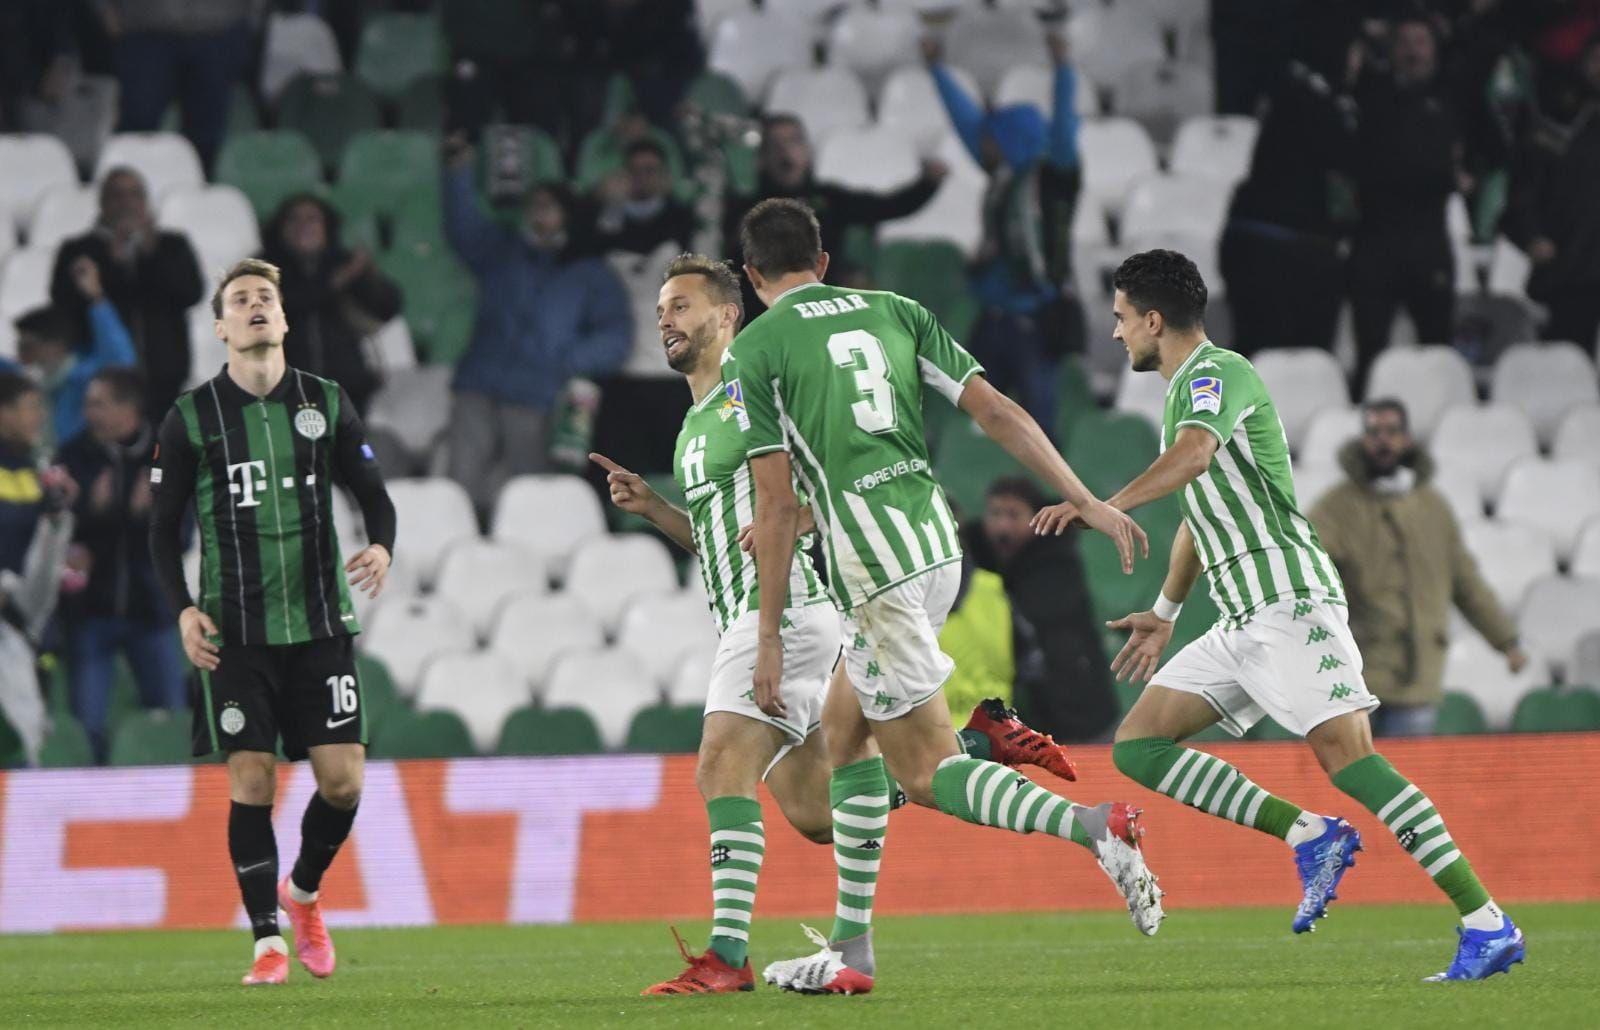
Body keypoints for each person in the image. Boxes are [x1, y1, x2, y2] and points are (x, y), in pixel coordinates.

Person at [591, 253, 1076, 994]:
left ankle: (727, 957)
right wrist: (656, 512)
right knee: (817, 813)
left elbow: (823, 479)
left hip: (786, 611)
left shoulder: (758, 390)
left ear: (729, 315)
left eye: (682, 306)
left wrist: (777, 610)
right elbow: (726, 537)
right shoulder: (696, 424)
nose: (666, 319)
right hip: (762, 611)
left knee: (721, 762)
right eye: (661, 309)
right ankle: (980, 742)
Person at [1033, 249, 1523, 981]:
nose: (1114, 335)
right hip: (1238, 617)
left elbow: (1196, 460)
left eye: (1120, 318)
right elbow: (1200, 513)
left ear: (1153, 320)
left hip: (1290, 600)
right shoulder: (1181, 400)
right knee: (1139, 745)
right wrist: (1167, 612)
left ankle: (1487, 923)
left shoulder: (1216, 373)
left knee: (1350, 758)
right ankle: (1309, 833)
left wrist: (1101, 505)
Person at [726, 199, 1159, 995]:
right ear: (822, 262)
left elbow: (777, 504)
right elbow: (996, 411)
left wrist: (767, 639)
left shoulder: (752, 351)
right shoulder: (897, 310)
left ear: (752, 279)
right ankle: (853, 956)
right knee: (844, 730)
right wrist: (1084, 496)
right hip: (936, 543)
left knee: (925, 771)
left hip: (877, 571)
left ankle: (1097, 827)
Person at [148, 258, 398, 986]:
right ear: (221, 326)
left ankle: (304, 893)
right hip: (236, 631)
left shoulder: (324, 399)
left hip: (320, 622)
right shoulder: (191, 415)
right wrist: (184, 610)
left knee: (344, 781)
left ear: (284, 320)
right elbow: (162, 532)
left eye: (267, 298)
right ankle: (266, 940)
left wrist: (382, 544)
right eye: (241, 300)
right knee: (251, 780)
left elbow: (372, 493)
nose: (256, 306)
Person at [1308, 399, 1527, 737]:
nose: (1384, 440)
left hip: (1417, 681)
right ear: (1362, 439)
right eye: (1374, 432)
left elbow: (1466, 583)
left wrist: (1506, 641)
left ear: (1407, 439)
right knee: (1348, 781)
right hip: (1353, 678)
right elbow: (1304, 569)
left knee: (1406, 779)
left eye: (1392, 432)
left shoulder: (1434, 509)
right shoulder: (1335, 508)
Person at [442, 137, 632, 517]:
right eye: (533, 207)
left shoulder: (590, 273)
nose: (538, 215)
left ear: (567, 214)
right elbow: (463, 224)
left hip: (537, 395)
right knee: (459, 484)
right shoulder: (501, 251)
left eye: (548, 207)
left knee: (524, 491)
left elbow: (616, 335)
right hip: (479, 385)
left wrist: (565, 359)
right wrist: (456, 172)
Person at [927, 31, 1085, 436]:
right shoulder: (1004, 178)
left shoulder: (1053, 180)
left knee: (1039, 428)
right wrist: (937, 71)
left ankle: (1051, 498)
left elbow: (1065, 128)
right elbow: (966, 125)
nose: (983, 145)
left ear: (1012, 139)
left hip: (1034, 318)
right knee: (969, 416)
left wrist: (1063, 67)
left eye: (992, 138)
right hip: (994, 316)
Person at [57, 367, 185, 764]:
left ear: (127, 407)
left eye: (98, 403)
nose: (88, 412)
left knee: (170, 717)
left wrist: (149, 516)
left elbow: (184, 537)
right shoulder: (72, 456)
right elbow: (60, 535)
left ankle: (175, 808)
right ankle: (91, 806)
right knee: (88, 723)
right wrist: (93, 513)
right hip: (91, 613)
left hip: (153, 611)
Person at [1218, 12, 1359, 355]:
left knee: (1254, 357)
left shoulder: (1283, 90)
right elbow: (1347, 184)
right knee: (1302, 363)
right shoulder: (1327, 108)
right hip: (1291, 251)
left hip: (1246, 238)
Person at [721, 116, 946, 320]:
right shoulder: (746, 210)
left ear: (807, 151)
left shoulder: (829, 201)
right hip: (766, 323)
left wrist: (928, 184)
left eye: (793, 142)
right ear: (761, 157)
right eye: (775, 145)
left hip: (824, 319)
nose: (785, 152)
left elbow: (887, 207)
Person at [1348, 16, 1463, 387]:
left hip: (1428, 240)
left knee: (1439, 350)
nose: (1413, 51)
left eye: (1422, 41)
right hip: (1375, 241)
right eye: (1405, 42)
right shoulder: (1372, 96)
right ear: (1392, 51)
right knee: (1370, 351)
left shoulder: (1452, 100)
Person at [50, 166, 204, 420]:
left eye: (135, 194)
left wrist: (150, 254)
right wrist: (111, 265)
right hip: (104, 379)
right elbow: (63, 305)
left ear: (146, 202)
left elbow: (191, 293)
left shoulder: (172, 246)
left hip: (165, 374)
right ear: (102, 202)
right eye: (117, 195)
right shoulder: (79, 250)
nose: (127, 203)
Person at [974, 476, 1118, 743]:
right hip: (1032, 711)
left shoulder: (1056, 562)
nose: (1002, 525)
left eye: (1014, 515)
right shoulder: (979, 559)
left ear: (1036, 518)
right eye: (995, 514)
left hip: (1078, 706)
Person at [260, 194, 403, 415]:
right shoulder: (262, 270)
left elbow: (387, 307)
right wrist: (333, 283)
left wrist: (366, 276)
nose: (303, 226)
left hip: (346, 390)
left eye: (312, 219)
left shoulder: (343, 264)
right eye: (294, 219)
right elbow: (286, 306)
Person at [1503, 31, 1600, 354]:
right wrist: (1531, 235)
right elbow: (1525, 187)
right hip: (1571, 265)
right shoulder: (1557, 117)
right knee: (1568, 356)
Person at [0, 372, 75, 764]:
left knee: (28, 733)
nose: (38, 417)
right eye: (29, 408)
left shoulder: (42, 469)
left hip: (27, 624)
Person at [102, 0, 254, 171]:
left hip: (220, 26)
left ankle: (197, 192)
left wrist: (253, 13)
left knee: (207, 135)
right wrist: (104, 9)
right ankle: (127, 190)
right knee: (137, 126)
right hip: (145, 26)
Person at [14, 256, 136, 449]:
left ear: (55, 345)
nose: (20, 353)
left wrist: (96, 298)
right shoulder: (30, 385)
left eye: (28, 346)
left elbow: (122, 361)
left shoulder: (87, 378)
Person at [593, 140, 696, 257]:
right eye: (635, 170)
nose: (642, 177)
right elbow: (597, 250)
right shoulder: (611, 211)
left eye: (649, 170)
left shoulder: (678, 214)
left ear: (663, 174)